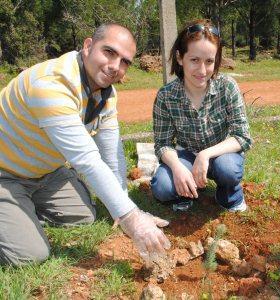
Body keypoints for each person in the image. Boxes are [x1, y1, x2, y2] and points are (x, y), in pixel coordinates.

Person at [0, 23, 170, 266]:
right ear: (88, 46)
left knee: (84, 215)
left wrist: (123, 208)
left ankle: (21, 210)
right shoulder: (51, 84)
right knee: (29, 256)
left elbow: (111, 153)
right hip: (5, 174)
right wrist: (133, 219)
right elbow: (87, 160)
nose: (115, 67)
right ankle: (14, 214)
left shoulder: (106, 94)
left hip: (46, 173)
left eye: (124, 61)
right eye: (109, 52)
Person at [151, 19, 252, 212]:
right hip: (186, 155)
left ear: (217, 60)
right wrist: (177, 167)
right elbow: (163, 143)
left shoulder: (227, 87)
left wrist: (206, 154)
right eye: (194, 60)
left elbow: (243, 137)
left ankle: (229, 195)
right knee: (162, 187)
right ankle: (185, 190)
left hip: (221, 154)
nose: (202, 70)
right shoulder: (166, 96)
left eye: (209, 61)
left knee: (228, 169)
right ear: (180, 58)